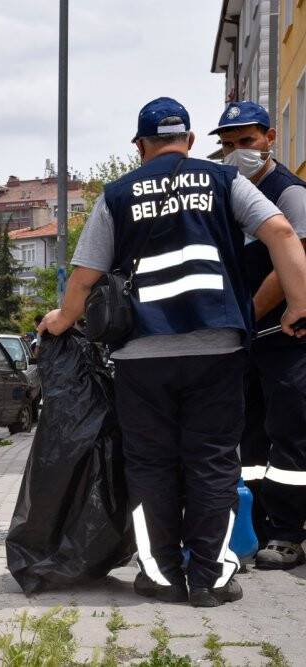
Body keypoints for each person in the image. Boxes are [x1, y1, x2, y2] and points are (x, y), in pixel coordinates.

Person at [38, 97, 306, 607]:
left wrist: (62, 320)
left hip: (141, 355)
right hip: (217, 347)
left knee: (151, 464)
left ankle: (161, 576)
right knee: (212, 461)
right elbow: (282, 232)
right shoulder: (225, 181)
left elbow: (86, 274)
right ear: (187, 140)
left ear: (140, 146)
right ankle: (210, 579)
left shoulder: (117, 194)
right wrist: (298, 303)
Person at [212, 100, 306, 570]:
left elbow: (293, 259)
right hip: (248, 336)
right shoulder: (231, 194)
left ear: (269, 138)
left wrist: (245, 313)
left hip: (285, 335)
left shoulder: (289, 193)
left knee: (289, 433)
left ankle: (291, 534)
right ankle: (260, 526)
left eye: (246, 142)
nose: (237, 152)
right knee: (249, 439)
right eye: (228, 145)